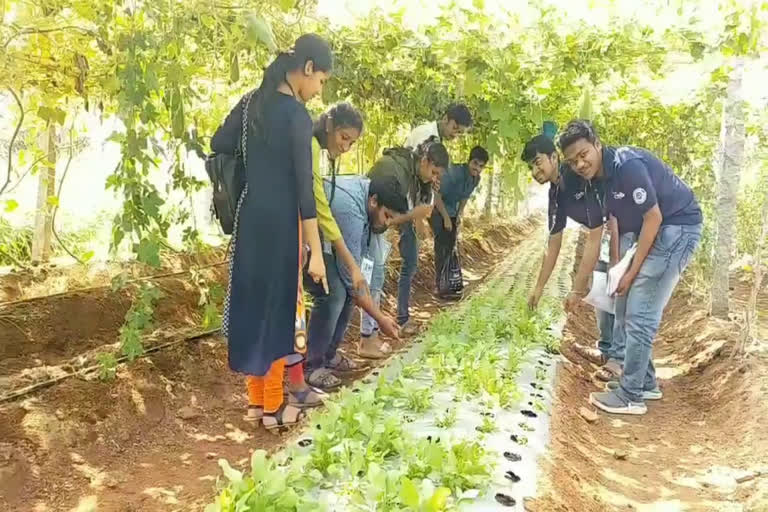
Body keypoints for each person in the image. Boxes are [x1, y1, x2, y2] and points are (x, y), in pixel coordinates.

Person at [211, 34, 332, 430]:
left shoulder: (250, 104)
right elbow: (304, 191)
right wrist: (315, 252)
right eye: (321, 81)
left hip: (250, 218)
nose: (318, 91)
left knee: (253, 306)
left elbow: (219, 142)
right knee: (280, 311)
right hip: (283, 224)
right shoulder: (296, 116)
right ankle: (274, 407)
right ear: (308, 68)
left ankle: (255, 403)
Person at [558, 120, 703, 416]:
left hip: (677, 229)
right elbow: (615, 224)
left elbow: (653, 217)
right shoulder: (598, 181)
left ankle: (631, 395)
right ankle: (646, 381)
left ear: (597, 144)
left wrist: (633, 272)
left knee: (640, 311)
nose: (580, 164)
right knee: (623, 305)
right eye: (573, 161)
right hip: (653, 233)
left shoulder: (626, 166)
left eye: (584, 154)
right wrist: (617, 270)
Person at [521, 134, 619, 374]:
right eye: (530, 167)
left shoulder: (576, 174)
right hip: (603, 234)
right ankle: (608, 350)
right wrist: (539, 287)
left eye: (537, 162)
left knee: (618, 290)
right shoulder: (555, 194)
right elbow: (553, 244)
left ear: (554, 157)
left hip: (620, 228)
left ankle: (620, 360)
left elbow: (597, 229)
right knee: (602, 290)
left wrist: (576, 289)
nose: (535, 171)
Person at [304, 174, 407, 390]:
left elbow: (358, 271)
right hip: (306, 243)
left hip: (328, 247)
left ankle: (329, 356)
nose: (387, 224)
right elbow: (351, 278)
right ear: (373, 201)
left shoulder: (367, 207)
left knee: (349, 294)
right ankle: (312, 366)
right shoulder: (349, 209)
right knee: (335, 294)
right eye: (386, 216)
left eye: (392, 220)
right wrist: (380, 319)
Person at [361, 139, 450, 343]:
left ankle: (371, 336)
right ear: (425, 161)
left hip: (372, 228)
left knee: (375, 278)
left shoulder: (413, 173)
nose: (435, 178)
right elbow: (379, 222)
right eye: (434, 172)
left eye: (438, 175)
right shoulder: (396, 173)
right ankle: (367, 339)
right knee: (368, 280)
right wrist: (412, 215)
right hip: (365, 226)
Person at [432, 146, 488, 298]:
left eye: (481, 166)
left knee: (451, 247)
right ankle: (439, 287)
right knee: (442, 246)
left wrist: (459, 215)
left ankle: (449, 284)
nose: (477, 168)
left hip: (452, 211)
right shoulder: (454, 174)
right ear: (469, 161)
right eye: (475, 163)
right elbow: (436, 195)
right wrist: (445, 217)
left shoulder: (476, 179)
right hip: (437, 209)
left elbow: (465, 196)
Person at [404, 103, 474, 149]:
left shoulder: (438, 140)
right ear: (445, 119)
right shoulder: (425, 134)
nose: (455, 134)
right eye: (454, 128)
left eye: (459, 133)